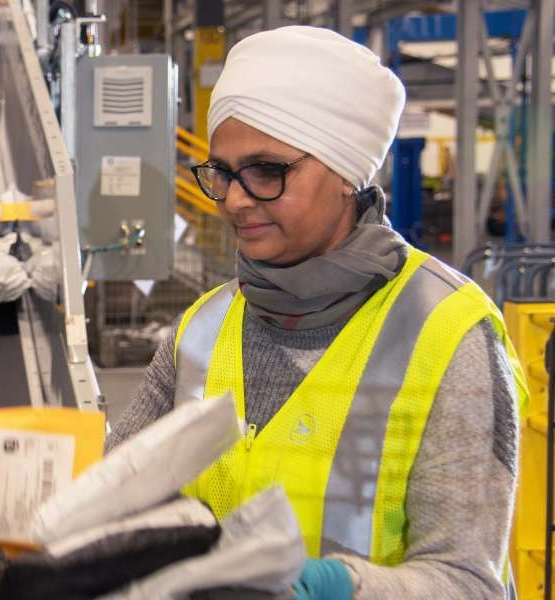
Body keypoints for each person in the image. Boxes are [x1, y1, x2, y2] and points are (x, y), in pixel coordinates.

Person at [107, 26, 527, 599]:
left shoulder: (449, 335)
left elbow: (469, 582)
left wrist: (337, 586)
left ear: (348, 174)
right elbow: (117, 484)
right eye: (223, 173)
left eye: (267, 171)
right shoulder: (203, 326)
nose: (233, 199)